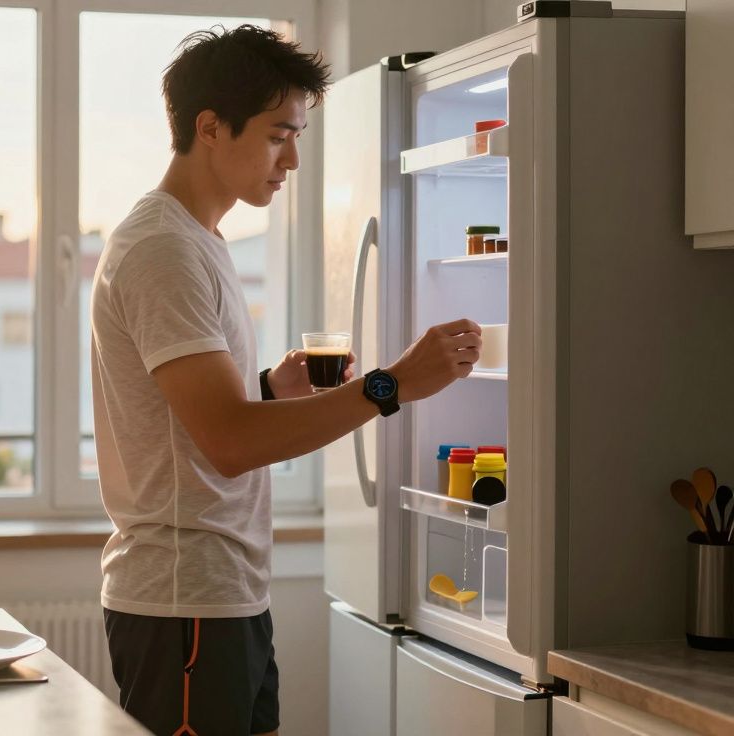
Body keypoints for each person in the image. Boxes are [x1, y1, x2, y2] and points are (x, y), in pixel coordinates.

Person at [90, 25, 482, 736]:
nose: (294, 159)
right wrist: (393, 384)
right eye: (279, 135)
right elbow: (229, 444)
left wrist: (269, 389)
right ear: (211, 127)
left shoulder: (197, 240)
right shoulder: (162, 250)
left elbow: (197, 421)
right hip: (185, 603)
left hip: (225, 595)